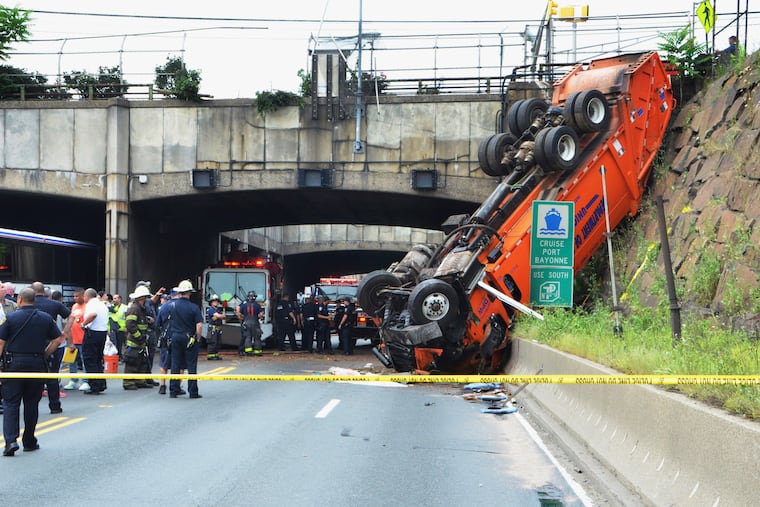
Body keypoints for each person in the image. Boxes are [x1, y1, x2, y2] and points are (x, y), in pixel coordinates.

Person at [0, 287, 65, 456]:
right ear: (34, 300)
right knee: (31, 403)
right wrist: (44, 354)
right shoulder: (45, 319)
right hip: (37, 364)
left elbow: (1, 343)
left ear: (20, 300)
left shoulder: (11, 318)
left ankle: (11, 441)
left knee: (11, 404)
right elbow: (58, 339)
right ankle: (29, 440)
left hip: (13, 365)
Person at [31, 282, 72, 413]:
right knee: (52, 375)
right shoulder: (55, 304)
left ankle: (32, 405)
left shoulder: (29, 303)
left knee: (32, 376)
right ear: (45, 292)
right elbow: (71, 316)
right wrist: (64, 333)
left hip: (32, 344)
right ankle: (55, 406)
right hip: (52, 342)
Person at [161, 280, 203, 399]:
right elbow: (199, 325)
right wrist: (198, 338)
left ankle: (174, 391)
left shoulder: (171, 306)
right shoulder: (194, 307)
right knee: (191, 365)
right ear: (189, 292)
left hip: (175, 337)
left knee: (175, 364)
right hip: (189, 338)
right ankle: (193, 392)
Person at [122, 285, 154, 390]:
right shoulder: (134, 309)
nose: (146, 299)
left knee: (141, 361)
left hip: (141, 341)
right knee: (132, 362)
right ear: (141, 298)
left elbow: (140, 321)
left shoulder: (141, 309)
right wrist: (139, 337)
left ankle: (139, 380)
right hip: (135, 341)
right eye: (145, 297)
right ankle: (128, 383)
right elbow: (130, 325)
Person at [80, 288, 110, 395]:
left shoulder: (91, 304)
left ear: (87, 296)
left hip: (92, 333)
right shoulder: (102, 304)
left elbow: (93, 315)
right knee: (98, 359)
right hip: (102, 333)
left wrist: (83, 324)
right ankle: (101, 383)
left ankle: (94, 386)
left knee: (89, 359)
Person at [62, 289, 86, 391]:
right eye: (74, 296)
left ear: (83, 296)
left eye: (77, 296)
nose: (75, 298)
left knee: (85, 361)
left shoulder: (87, 306)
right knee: (71, 361)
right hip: (73, 338)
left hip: (84, 339)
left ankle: (86, 381)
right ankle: (73, 381)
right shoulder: (74, 306)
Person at [235, 291, 263, 357]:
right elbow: (261, 314)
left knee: (247, 337)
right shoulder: (257, 305)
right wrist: (260, 317)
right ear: (254, 297)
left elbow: (238, 313)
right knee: (257, 337)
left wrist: (241, 318)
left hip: (246, 322)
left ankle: (248, 352)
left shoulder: (244, 305)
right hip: (255, 322)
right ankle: (257, 351)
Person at [205, 294, 225, 360]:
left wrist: (220, 316)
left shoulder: (218, 310)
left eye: (217, 301)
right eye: (214, 301)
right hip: (212, 329)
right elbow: (220, 316)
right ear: (211, 302)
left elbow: (223, 316)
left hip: (218, 329)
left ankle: (215, 355)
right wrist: (219, 316)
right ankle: (210, 355)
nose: (216, 302)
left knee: (217, 342)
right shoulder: (211, 310)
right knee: (212, 342)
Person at [108, 294, 127, 363]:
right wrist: (108, 329)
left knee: (120, 344)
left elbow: (127, 318)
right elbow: (109, 319)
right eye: (113, 298)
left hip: (122, 328)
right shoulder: (111, 308)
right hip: (113, 328)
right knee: (113, 344)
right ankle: (116, 357)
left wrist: (126, 327)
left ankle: (121, 357)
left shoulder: (125, 307)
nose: (114, 300)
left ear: (120, 299)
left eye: (115, 298)